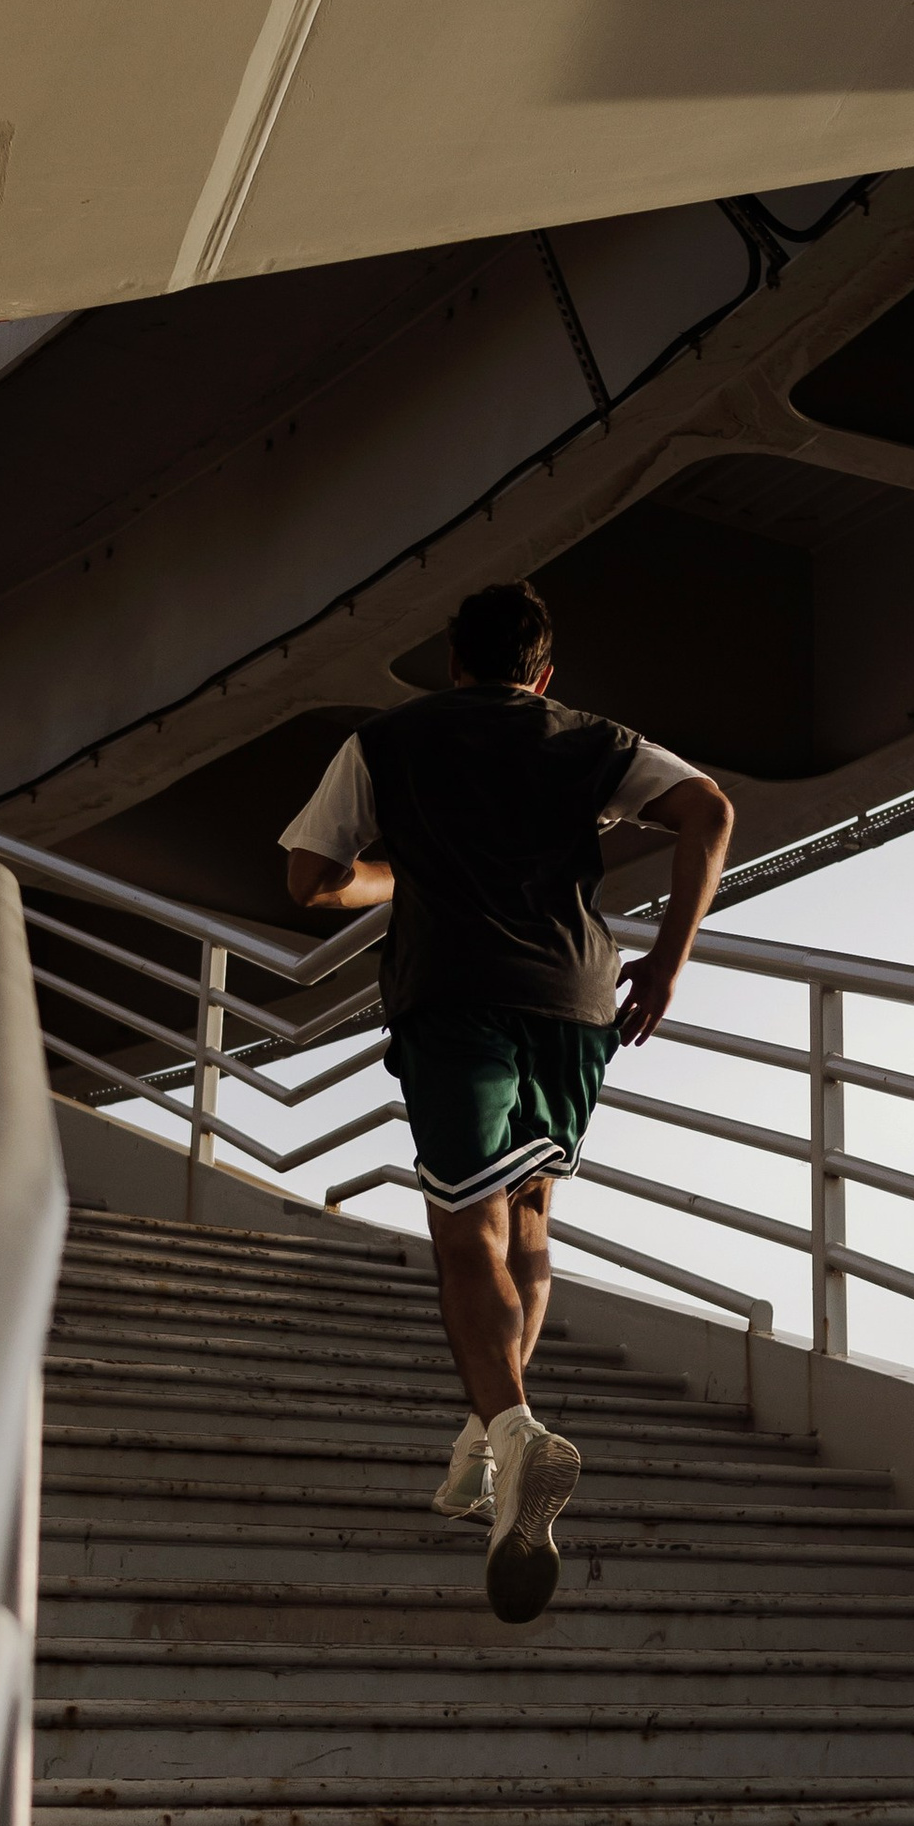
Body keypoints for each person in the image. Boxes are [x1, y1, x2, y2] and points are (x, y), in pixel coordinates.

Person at [282, 582, 734, 1621]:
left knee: (463, 1232)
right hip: (576, 1002)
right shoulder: (590, 737)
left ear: (451, 662)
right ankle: (486, 1446)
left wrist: (399, 878)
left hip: (456, 999)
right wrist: (665, 964)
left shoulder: (383, 743)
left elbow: (309, 877)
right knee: (529, 1216)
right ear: (542, 672)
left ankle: (516, 1431)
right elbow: (707, 809)